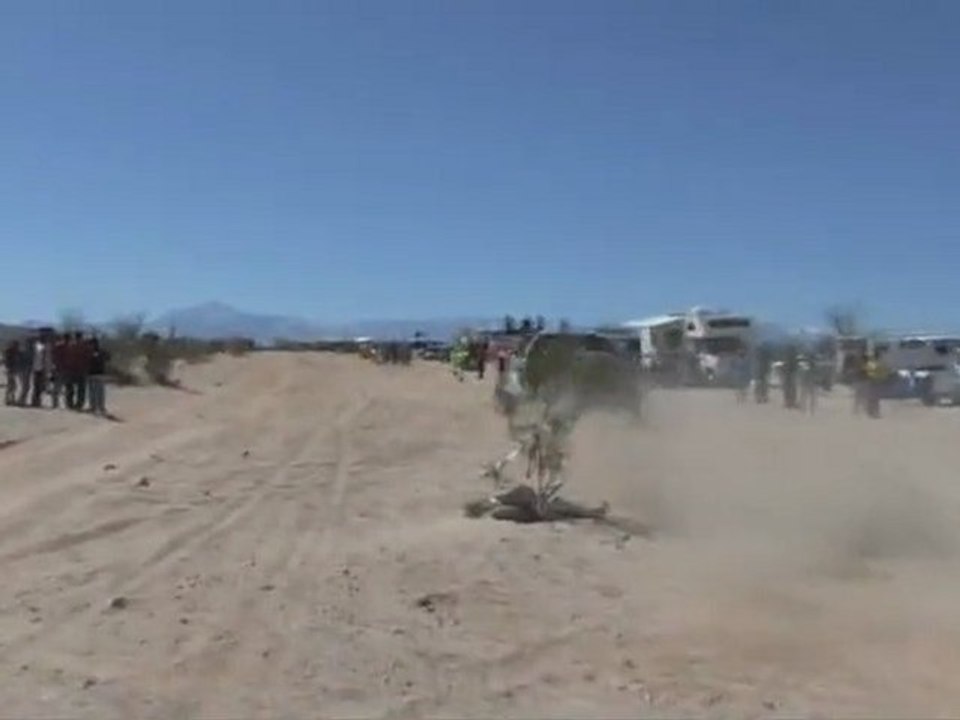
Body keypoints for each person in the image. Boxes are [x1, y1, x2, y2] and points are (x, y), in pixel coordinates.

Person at [86, 337, 110, 416]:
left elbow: (108, 357)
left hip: (98, 374)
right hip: (93, 374)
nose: (90, 345)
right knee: (93, 392)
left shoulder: (99, 352)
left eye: (91, 344)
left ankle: (100, 407)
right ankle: (94, 407)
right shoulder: (90, 352)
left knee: (99, 392)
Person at [30, 333, 52, 408]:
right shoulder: (38, 346)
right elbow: (41, 355)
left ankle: (37, 401)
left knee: (40, 386)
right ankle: (35, 401)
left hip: (41, 368)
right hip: (38, 368)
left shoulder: (43, 346)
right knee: (37, 386)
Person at [50, 334, 69, 409]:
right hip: (64, 369)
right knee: (65, 387)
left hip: (59, 368)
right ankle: (65, 403)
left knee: (57, 387)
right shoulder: (68, 347)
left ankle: (55, 403)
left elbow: (53, 357)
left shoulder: (57, 347)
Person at [3, 340, 22, 406]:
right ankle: (8, 399)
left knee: (12, 385)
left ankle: (9, 399)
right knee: (12, 385)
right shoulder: (9, 351)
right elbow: (7, 361)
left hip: (12, 370)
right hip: (10, 370)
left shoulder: (14, 352)